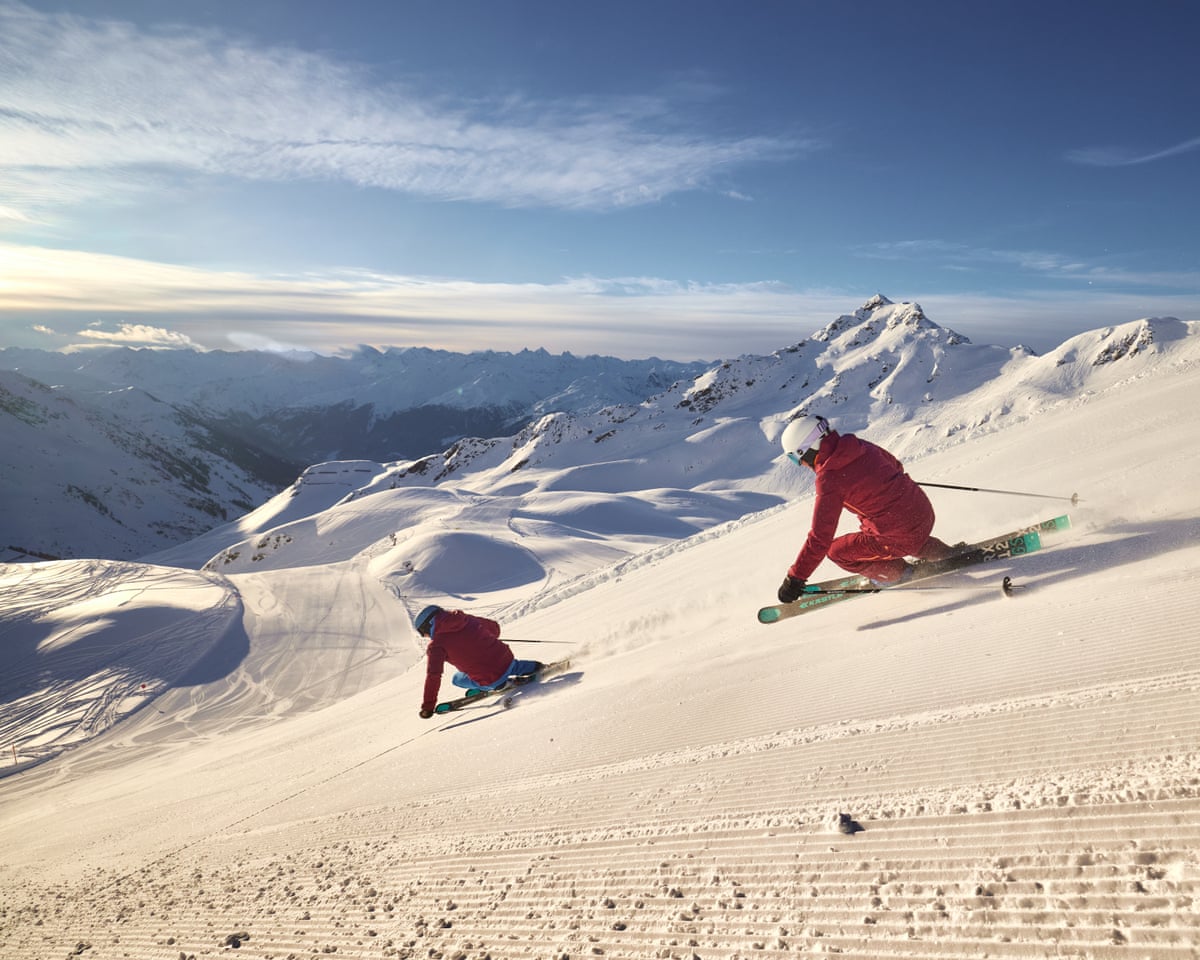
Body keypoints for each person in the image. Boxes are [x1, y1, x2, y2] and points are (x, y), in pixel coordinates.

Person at [776, 415, 955, 603]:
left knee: (836, 552)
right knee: (899, 530)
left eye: (796, 459)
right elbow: (896, 466)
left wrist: (795, 578)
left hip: (900, 535)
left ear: (807, 450)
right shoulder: (859, 445)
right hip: (923, 512)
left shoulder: (829, 479)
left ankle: (900, 575)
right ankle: (944, 554)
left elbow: (820, 537)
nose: (802, 464)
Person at [414, 605, 543, 718]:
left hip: (490, 678)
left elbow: (434, 676)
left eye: (423, 633)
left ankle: (502, 685)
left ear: (428, 625)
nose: (426, 636)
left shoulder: (436, 645)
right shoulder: (464, 618)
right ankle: (535, 666)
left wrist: (428, 707)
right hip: (507, 658)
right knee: (509, 665)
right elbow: (495, 629)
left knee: (457, 679)